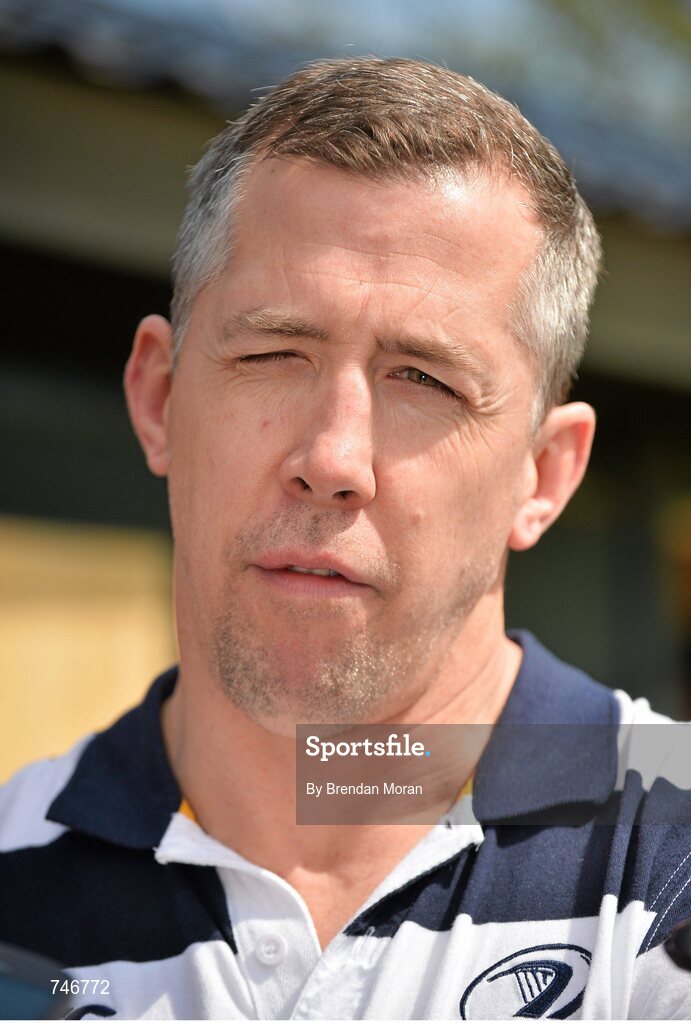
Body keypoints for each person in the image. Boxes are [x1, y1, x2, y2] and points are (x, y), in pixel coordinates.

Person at [0, 57, 689, 1021]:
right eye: (275, 353)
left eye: (424, 380)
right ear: (159, 398)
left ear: (543, 476)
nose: (332, 457)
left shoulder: (671, 860)